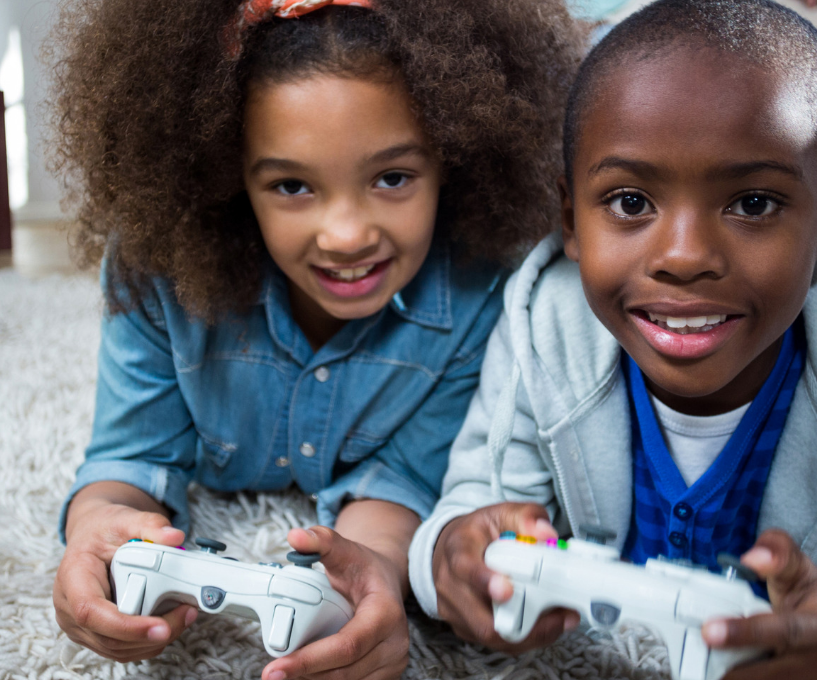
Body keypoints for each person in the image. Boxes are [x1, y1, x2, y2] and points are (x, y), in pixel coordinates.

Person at [408, 1, 817, 678]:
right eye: (631, 202)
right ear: (568, 217)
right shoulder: (545, 327)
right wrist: (452, 559)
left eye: (752, 203)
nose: (684, 257)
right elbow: (469, 512)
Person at [46, 1, 584, 679]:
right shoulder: (159, 268)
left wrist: (367, 578)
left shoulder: (484, 293)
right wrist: (98, 530)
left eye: (392, 178)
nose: (347, 234)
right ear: (229, 175)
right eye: (292, 185)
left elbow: (404, 485)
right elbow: (130, 456)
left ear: (454, 159)